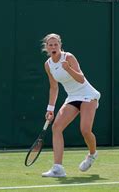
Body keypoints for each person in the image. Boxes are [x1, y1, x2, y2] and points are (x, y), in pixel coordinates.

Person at [41, 33, 101, 178]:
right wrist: (50, 109)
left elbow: (81, 79)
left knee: (85, 130)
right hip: (72, 97)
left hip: (88, 95)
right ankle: (58, 169)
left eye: (56, 44)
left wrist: (68, 69)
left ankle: (92, 154)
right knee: (56, 127)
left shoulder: (68, 57)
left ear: (60, 45)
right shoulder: (48, 65)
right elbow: (54, 87)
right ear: (47, 48)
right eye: (51, 45)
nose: (54, 47)